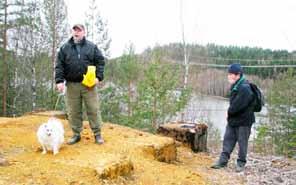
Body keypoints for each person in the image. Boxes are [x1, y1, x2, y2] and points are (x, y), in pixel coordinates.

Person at [55, 24, 105, 145]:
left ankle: (97, 134)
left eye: (79, 30)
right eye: (74, 30)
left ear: (84, 32)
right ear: (72, 32)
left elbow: (100, 62)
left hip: (89, 85)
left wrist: (98, 78)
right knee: (73, 111)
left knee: (93, 109)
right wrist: (59, 81)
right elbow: (59, 66)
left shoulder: (92, 47)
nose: (76, 33)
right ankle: (76, 134)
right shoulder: (64, 48)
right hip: (71, 85)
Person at [211, 63, 255, 172]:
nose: (229, 76)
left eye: (231, 74)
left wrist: (229, 112)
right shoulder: (235, 85)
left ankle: (241, 163)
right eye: (229, 74)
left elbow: (237, 106)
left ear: (238, 75)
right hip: (233, 120)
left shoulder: (245, 87)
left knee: (242, 143)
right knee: (227, 140)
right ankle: (222, 162)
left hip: (244, 121)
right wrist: (230, 114)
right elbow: (234, 105)